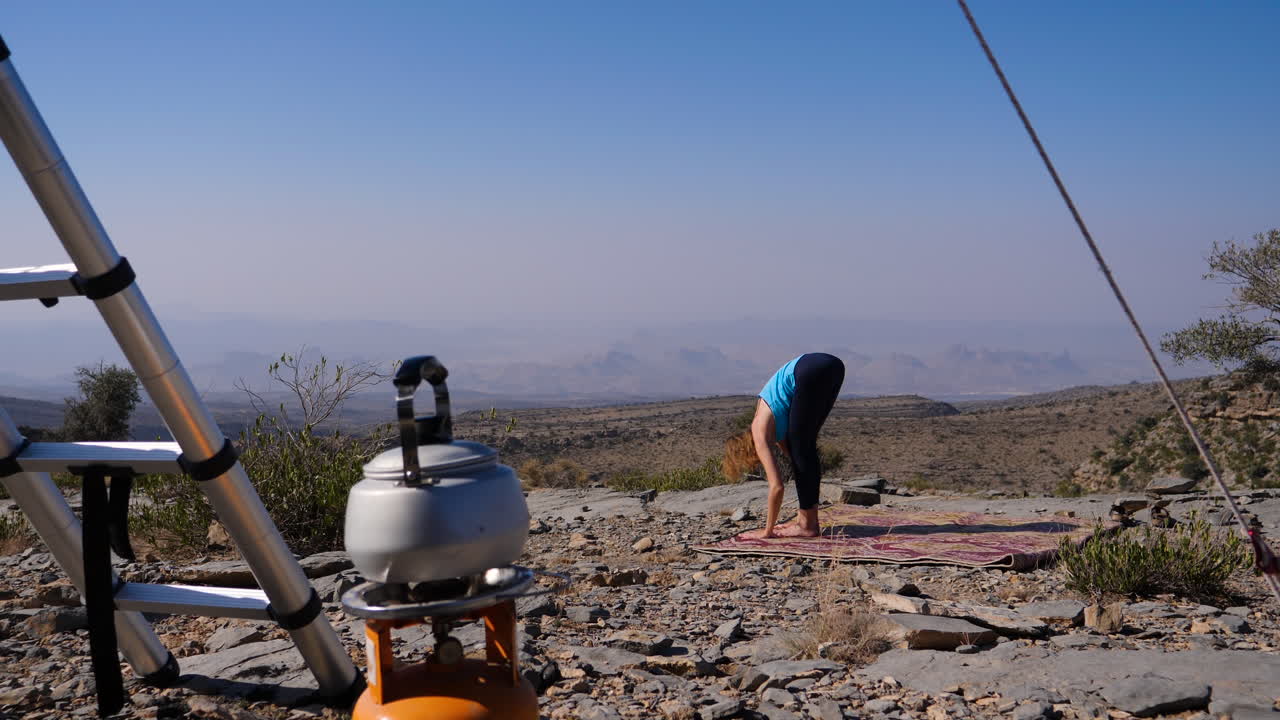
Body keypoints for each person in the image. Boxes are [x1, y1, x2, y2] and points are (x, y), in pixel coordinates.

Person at [735, 353, 844, 539]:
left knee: (802, 449)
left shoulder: (758, 432)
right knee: (803, 450)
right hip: (832, 366)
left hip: (808, 370)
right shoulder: (773, 427)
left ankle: (807, 525)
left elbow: (777, 486)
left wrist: (767, 531)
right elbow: (797, 461)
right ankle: (809, 521)